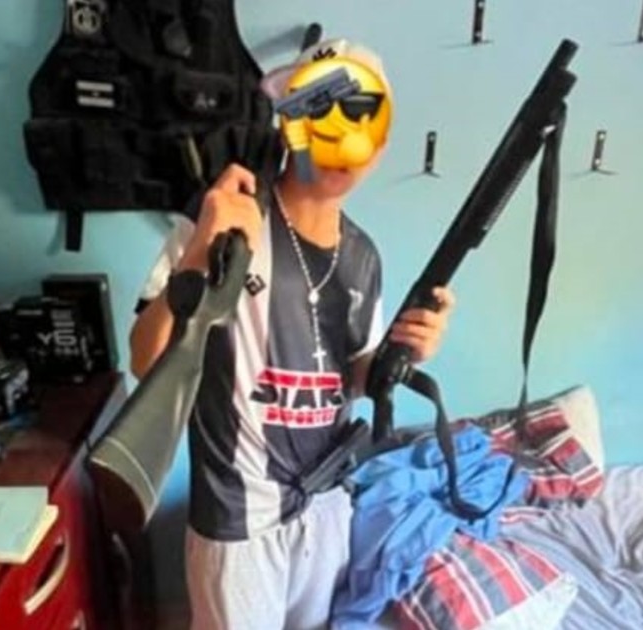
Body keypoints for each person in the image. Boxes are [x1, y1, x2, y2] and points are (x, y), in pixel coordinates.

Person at [128, 39, 455, 630]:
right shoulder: (224, 219)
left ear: (379, 145)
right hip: (238, 516)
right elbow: (144, 360)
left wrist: (406, 351)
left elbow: (349, 380)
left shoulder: (363, 257)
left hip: (325, 505)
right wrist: (199, 251)